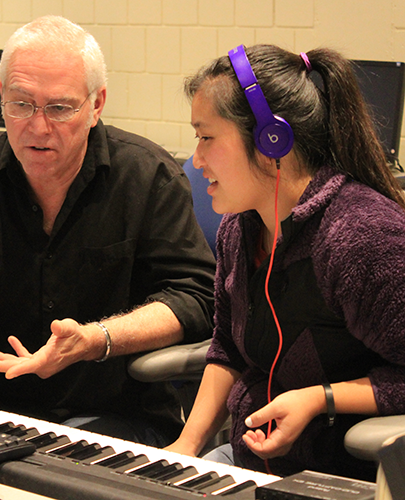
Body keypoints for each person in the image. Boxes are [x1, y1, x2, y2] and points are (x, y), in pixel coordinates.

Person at [0, 15, 216, 448]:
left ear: (96, 104)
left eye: (59, 108)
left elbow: (196, 297)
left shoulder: (148, 177)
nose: (38, 126)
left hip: (113, 415)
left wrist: (94, 339)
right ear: (0, 98)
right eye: (21, 104)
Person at [165, 43, 405, 481]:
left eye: (206, 137)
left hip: (335, 480)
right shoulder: (240, 230)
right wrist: (187, 446)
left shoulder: (361, 236)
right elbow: (228, 348)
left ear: (271, 139)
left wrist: (321, 398)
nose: (195, 160)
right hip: (247, 465)